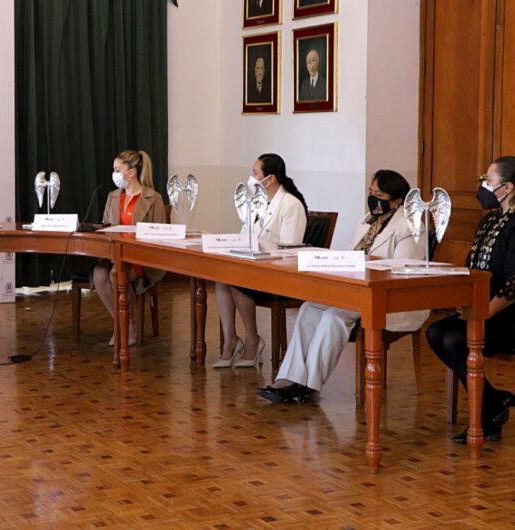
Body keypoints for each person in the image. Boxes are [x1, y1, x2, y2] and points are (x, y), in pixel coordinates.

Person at [257, 170, 428, 402]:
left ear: (397, 200)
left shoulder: (410, 227)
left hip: (389, 299)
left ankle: (308, 384)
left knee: (334, 315)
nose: (372, 198)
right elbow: (351, 253)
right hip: (357, 289)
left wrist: (362, 266)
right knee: (309, 307)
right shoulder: (367, 220)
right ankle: (289, 377)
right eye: (370, 192)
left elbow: (401, 271)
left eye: (379, 194)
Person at [427, 156, 515, 443]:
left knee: (455, 339)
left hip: (505, 313)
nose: (483, 186)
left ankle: (486, 415)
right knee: (435, 332)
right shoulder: (489, 220)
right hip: (480, 306)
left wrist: (482, 313)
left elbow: (514, 285)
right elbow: (472, 267)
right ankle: (493, 401)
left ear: (508, 187)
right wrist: (463, 299)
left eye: (488, 181)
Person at [213, 153, 307, 368]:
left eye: (255, 173)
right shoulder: (257, 203)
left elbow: (289, 249)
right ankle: (230, 340)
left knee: (237, 282)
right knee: (221, 277)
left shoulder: (291, 205)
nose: (251, 177)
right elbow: (244, 236)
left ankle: (253, 340)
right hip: (255, 267)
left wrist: (259, 247)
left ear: (270, 178)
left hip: (278, 273)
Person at [93, 150, 166, 354]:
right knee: (99, 274)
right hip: (115, 254)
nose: (114, 174)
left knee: (117, 272)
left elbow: (161, 234)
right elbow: (105, 226)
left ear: (131, 173)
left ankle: (128, 326)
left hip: (142, 258)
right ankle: (123, 322)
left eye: (118, 170)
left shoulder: (153, 198)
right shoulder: (113, 196)